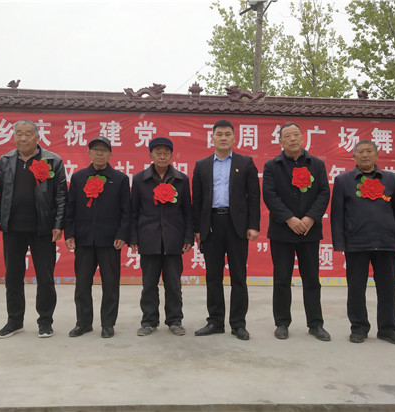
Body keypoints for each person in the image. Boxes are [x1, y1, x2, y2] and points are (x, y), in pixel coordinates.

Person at [0, 120, 67, 339]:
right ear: (14, 137)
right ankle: (14, 322)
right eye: (19, 134)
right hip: (12, 229)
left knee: (45, 278)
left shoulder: (52, 161)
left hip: (43, 230)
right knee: (13, 277)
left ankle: (45, 322)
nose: (23, 138)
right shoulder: (5, 160)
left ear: (37, 137)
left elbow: (61, 196)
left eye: (28, 134)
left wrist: (58, 224)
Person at [331, 140, 395, 346]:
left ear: (377, 155)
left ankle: (388, 329)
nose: (365, 155)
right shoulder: (343, 180)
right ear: (354, 157)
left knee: (387, 288)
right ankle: (358, 328)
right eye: (361, 152)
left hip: (386, 242)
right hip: (356, 243)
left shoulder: (391, 179)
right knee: (356, 288)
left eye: (369, 151)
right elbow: (337, 215)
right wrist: (339, 242)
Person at [192, 119, 260, 340]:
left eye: (227, 134)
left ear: (234, 138)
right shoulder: (202, 165)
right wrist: (197, 229)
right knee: (213, 276)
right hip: (211, 224)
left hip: (236, 225)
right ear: (212, 138)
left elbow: (254, 197)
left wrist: (253, 225)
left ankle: (238, 324)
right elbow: (197, 200)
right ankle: (215, 321)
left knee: (238, 276)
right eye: (219, 134)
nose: (223, 138)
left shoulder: (246, 163)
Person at [262, 122, 331, 341]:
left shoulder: (316, 164)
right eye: (287, 136)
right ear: (280, 141)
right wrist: (289, 219)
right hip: (282, 231)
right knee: (282, 278)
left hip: (309, 231)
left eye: (296, 135)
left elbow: (323, 192)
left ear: (303, 138)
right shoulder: (272, 166)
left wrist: (310, 218)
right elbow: (270, 195)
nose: (292, 139)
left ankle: (315, 324)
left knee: (311, 279)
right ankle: (282, 323)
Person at [64, 136, 130, 338]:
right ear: (89, 153)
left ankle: (108, 324)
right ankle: (83, 323)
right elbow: (70, 207)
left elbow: (126, 211)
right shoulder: (78, 177)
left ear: (110, 154)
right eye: (95, 149)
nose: (99, 153)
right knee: (82, 284)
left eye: (104, 150)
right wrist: (70, 233)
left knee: (110, 284)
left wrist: (122, 234)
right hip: (84, 239)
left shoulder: (120, 179)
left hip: (110, 241)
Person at [130, 137, 193, 337]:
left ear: (172, 155)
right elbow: (134, 211)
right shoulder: (140, 179)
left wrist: (188, 237)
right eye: (158, 152)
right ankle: (149, 321)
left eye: (166, 153)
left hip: (174, 238)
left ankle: (175, 320)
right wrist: (134, 237)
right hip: (149, 238)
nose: (162, 156)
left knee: (173, 283)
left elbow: (187, 211)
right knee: (149, 284)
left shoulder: (182, 180)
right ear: (151, 155)